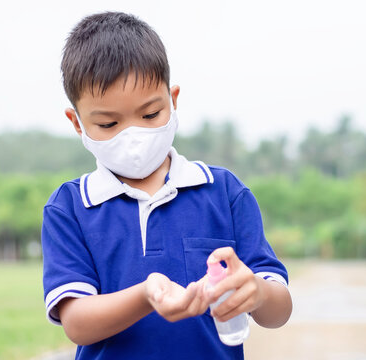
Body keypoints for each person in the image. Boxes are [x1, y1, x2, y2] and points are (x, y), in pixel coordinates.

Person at [41, 11, 292, 359]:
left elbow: (278, 311)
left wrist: (258, 292)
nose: (134, 136)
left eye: (149, 115)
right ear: (77, 123)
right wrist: (146, 295)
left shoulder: (224, 192)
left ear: (173, 100)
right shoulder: (70, 207)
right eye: (109, 123)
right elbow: (77, 323)